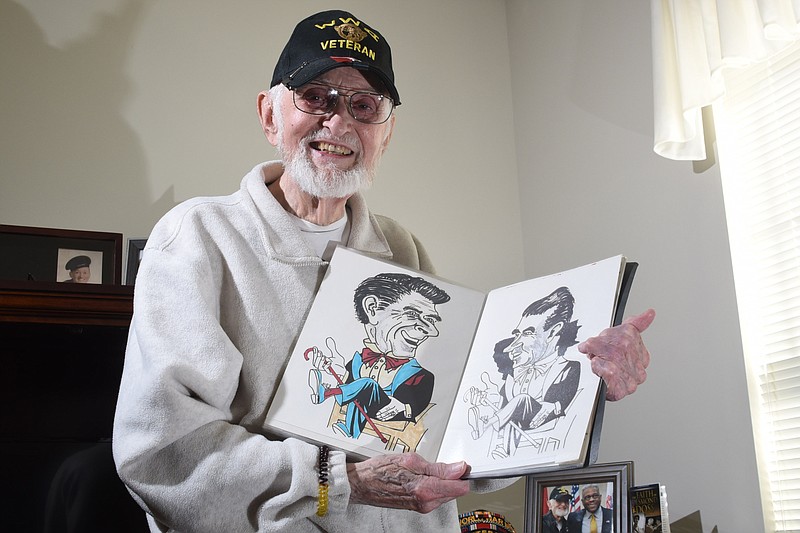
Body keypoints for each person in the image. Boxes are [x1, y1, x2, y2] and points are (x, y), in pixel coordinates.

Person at [112, 9, 655, 533]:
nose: (339, 120)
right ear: (269, 114)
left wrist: (580, 381)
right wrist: (336, 481)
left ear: (386, 132)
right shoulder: (200, 237)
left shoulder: (400, 248)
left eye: (364, 104)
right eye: (315, 96)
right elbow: (161, 456)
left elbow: (456, 439)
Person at [307, 272, 449, 438]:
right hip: (362, 406)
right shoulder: (358, 360)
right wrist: (329, 369)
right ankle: (349, 429)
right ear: (372, 309)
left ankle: (327, 393)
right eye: (412, 314)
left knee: (367, 385)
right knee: (363, 390)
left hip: (390, 411)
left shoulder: (421, 376)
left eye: (431, 320)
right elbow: (349, 383)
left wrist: (404, 407)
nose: (431, 331)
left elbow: (420, 403)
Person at [466, 287, 581, 458]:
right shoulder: (515, 371)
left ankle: (488, 425)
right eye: (517, 334)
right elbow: (502, 401)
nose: (514, 345)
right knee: (514, 407)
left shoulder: (569, 366)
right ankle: (501, 450)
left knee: (521, 399)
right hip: (516, 421)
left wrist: (555, 406)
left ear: (554, 330)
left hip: (542, 417)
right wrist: (482, 398)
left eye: (528, 333)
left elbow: (561, 401)